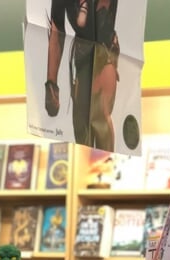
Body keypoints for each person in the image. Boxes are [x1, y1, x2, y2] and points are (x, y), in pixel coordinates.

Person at [45, 0, 121, 150]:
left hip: (104, 53)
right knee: (81, 127)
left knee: (100, 118)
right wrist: (51, 84)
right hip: (83, 57)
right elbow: (57, 30)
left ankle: (105, 164)